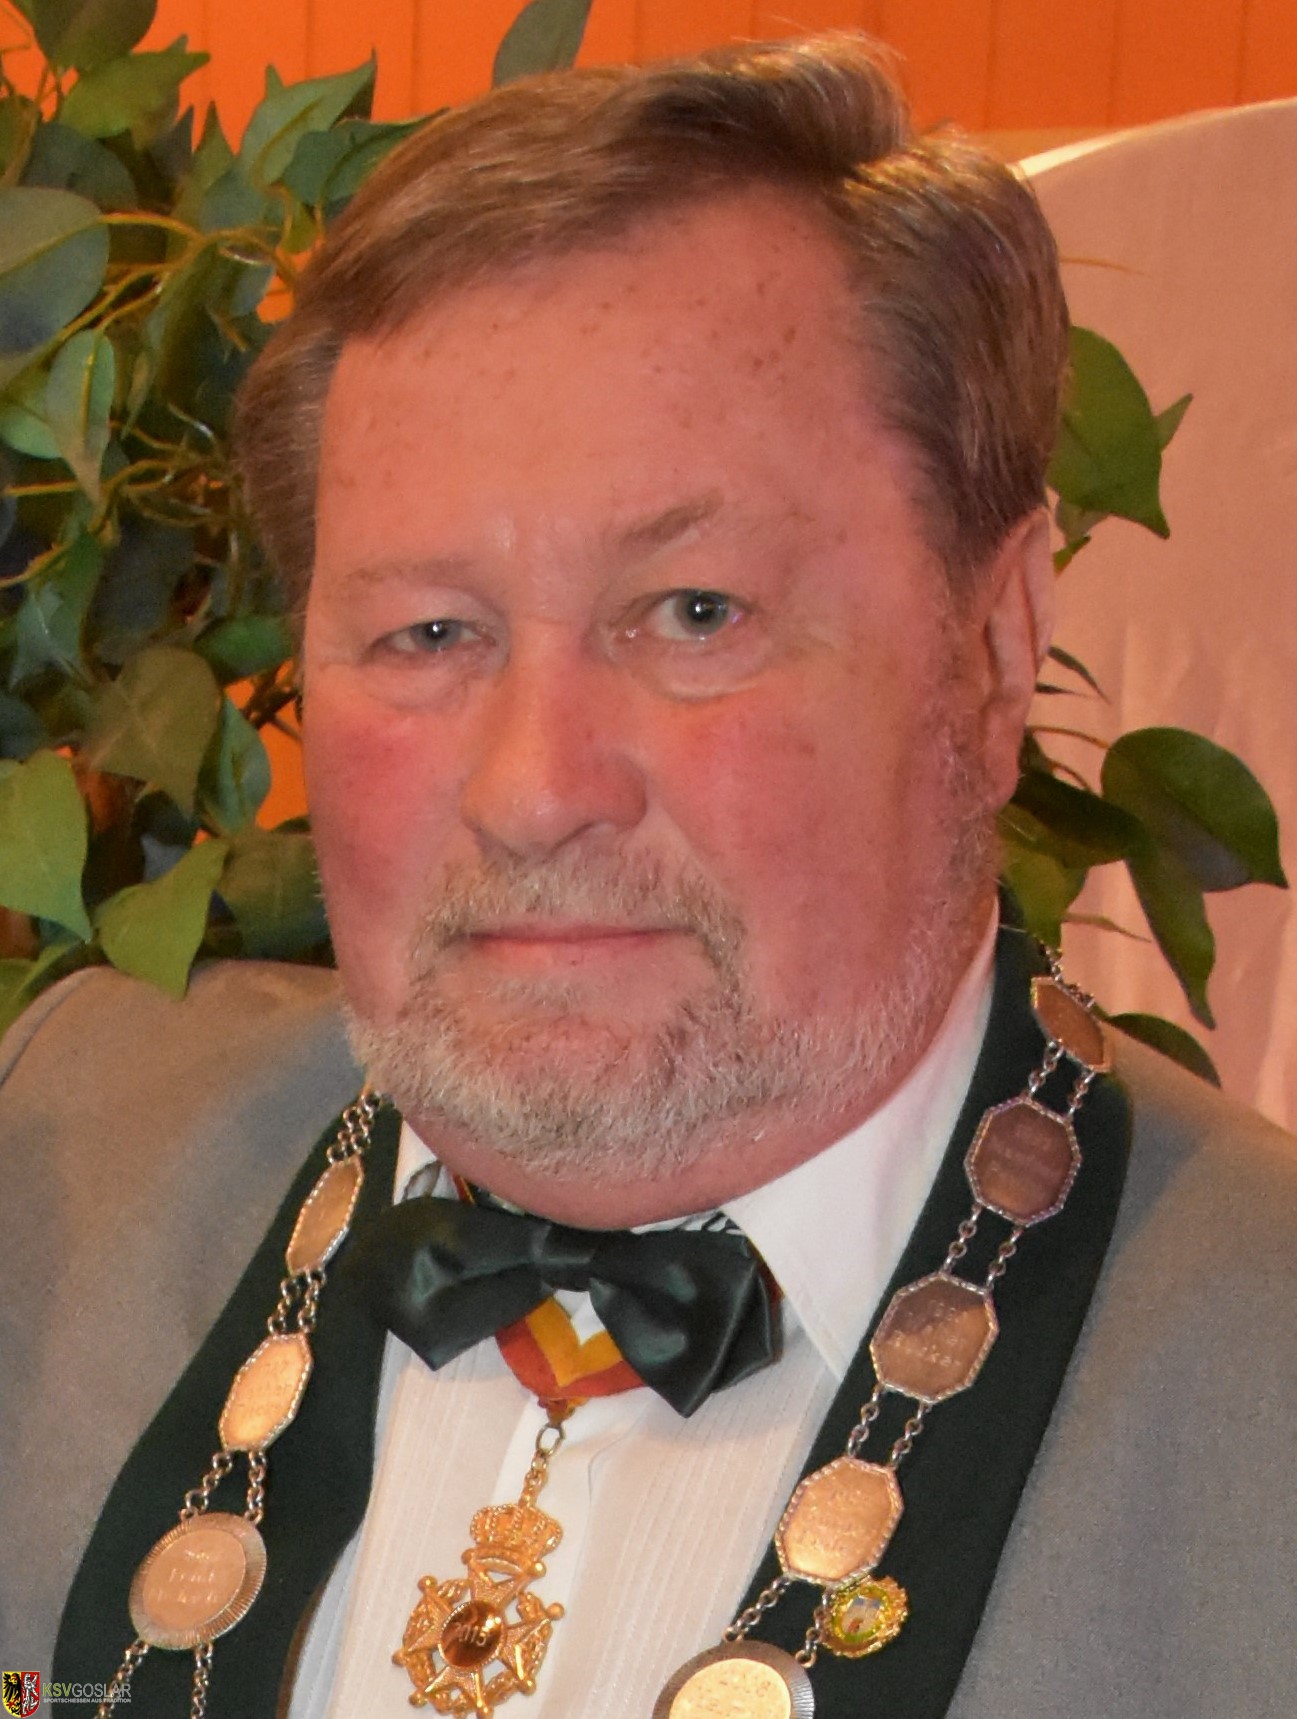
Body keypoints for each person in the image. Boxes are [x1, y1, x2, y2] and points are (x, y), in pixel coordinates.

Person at [3, 33, 1294, 1719]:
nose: (536, 793)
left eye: (693, 615)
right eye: (428, 633)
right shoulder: (53, 1173)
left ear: (990, 648)